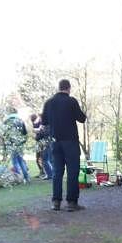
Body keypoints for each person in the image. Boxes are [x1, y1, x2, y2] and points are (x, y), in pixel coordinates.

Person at [41, 79, 86, 211]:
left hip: (55, 142)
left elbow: (44, 122)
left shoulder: (49, 103)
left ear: (58, 87)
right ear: (68, 88)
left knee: (57, 172)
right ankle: (72, 203)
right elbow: (82, 118)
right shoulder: (71, 101)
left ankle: (56, 202)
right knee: (72, 171)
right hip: (70, 141)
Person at [3, 109, 30, 183]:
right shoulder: (20, 120)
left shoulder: (6, 121)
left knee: (15, 161)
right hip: (20, 143)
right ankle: (27, 177)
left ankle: (19, 178)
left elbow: (4, 134)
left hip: (11, 143)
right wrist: (23, 141)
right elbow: (25, 132)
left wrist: (5, 144)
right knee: (21, 160)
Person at [31, 113, 54, 179]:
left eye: (41, 118)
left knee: (48, 159)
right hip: (46, 143)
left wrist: (38, 132)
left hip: (48, 143)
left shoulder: (47, 124)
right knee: (46, 159)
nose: (40, 119)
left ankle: (51, 174)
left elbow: (46, 133)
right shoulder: (44, 124)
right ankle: (50, 174)